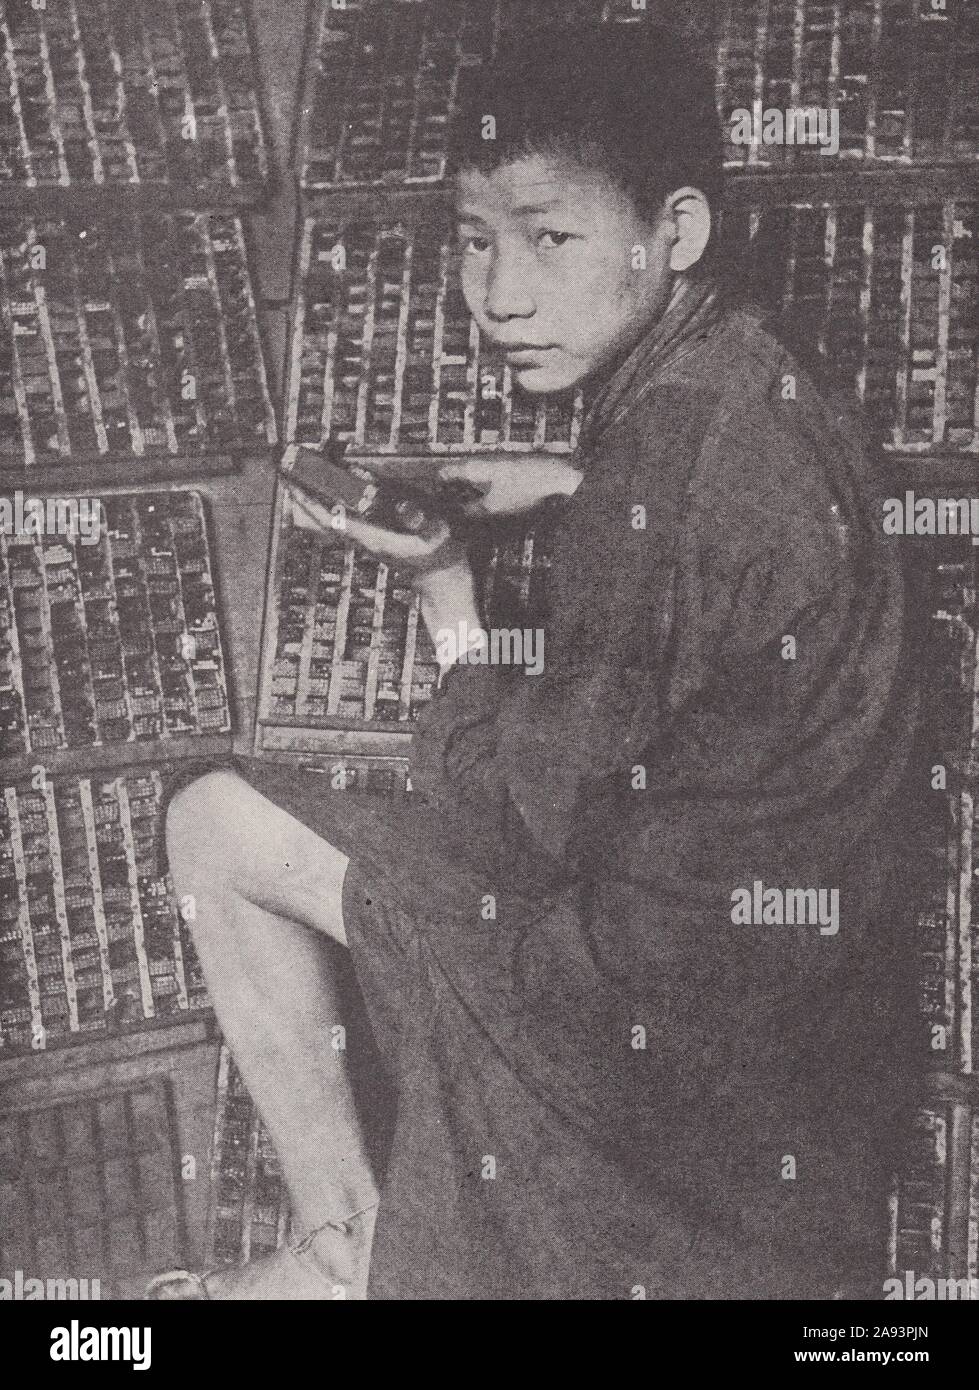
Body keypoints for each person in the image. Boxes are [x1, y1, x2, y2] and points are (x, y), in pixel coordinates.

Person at [149, 22, 921, 1301]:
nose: (497, 293)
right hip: (793, 1056)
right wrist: (571, 484)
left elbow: (507, 831)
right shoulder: (753, 390)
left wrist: (445, 586)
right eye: (473, 238)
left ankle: (352, 1257)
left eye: (548, 237)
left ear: (673, 231)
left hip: (628, 1049)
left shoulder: (657, 475)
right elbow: (734, 548)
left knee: (212, 824)